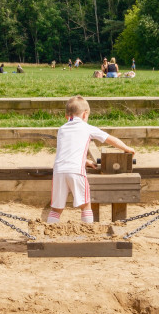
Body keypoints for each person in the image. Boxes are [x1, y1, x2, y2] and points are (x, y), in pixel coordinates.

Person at [48, 96, 136, 224]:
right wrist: (127, 148)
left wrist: (84, 161)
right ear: (85, 114)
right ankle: (88, 230)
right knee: (85, 205)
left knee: (56, 209)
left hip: (59, 171)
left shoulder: (62, 129)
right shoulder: (87, 128)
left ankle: (49, 231)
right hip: (76, 171)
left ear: (67, 116)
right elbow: (110, 139)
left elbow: (67, 151)